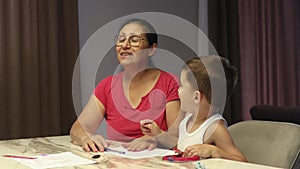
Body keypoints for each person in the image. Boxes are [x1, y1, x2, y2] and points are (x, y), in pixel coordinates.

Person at [70, 18, 181, 152]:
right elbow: (78, 128)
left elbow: (176, 138)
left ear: (151, 49)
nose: (125, 45)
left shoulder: (169, 83)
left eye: (134, 40)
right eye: (121, 39)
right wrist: (86, 138)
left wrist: (155, 138)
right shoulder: (107, 85)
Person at [124, 56, 247, 162]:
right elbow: (181, 147)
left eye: (182, 86)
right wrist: (158, 134)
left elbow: (241, 161)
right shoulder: (187, 119)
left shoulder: (215, 128)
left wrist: (214, 151)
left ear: (196, 97)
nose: (178, 90)